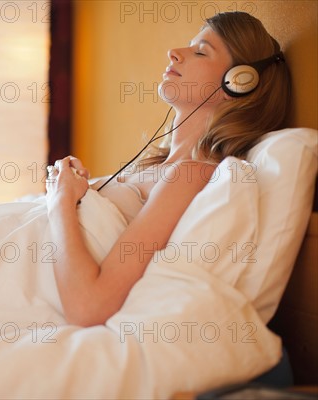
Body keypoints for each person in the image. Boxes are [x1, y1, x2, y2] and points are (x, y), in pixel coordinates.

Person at [44, 11, 291, 327]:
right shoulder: (154, 167)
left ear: (238, 83)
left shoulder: (189, 177)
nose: (174, 53)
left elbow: (90, 307)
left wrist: (60, 201)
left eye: (201, 51)